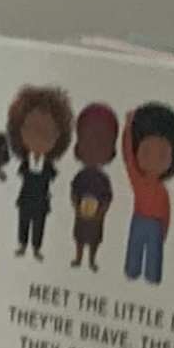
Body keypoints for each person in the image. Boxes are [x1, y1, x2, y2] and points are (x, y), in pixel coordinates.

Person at [0, 85, 72, 261]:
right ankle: (22, 244)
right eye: (30, 129)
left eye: (47, 133)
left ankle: (36, 248)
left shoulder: (48, 167)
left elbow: (54, 179)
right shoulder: (23, 163)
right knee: (23, 223)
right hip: (25, 200)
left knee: (39, 225)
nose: (38, 137)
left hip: (41, 202)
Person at [119, 103, 174, 283]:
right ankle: (132, 271)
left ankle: (152, 276)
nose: (154, 159)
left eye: (162, 155)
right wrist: (128, 127)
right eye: (147, 152)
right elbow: (128, 156)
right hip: (139, 220)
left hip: (155, 225)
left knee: (154, 257)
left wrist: (163, 232)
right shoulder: (137, 179)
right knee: (134, 251)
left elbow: (166, 212)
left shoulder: (162, 190)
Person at [67, 101, 119, 269]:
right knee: (80, 238)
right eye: (88, 141)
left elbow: (108, 197)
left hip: (97, 217)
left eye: (102, 143)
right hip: (81, 214)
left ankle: (91, 260)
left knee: (94, 239)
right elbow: (73, 191)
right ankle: (78, 258)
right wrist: (76, 207)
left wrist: (102, 211)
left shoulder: (103, 179)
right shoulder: (81, 176)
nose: (94, 147)